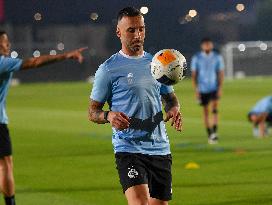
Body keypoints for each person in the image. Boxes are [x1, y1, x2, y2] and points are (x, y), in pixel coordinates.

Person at [89, 7, 182, 205]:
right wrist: (108, 116)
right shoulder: (108, 69)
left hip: (160, 148)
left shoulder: (157, 63)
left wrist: (173, 109)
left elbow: (171, 99)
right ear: (118, 32)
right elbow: (92, 111)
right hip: (128, 148)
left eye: (141, 29)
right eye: (131, 30)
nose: (137, 35)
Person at [0, 30, 86, 205]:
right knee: (5, 164)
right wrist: (65, 55)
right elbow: (34, 62)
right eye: (4, 42)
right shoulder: (2, 62)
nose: (8, 45)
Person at [191, 37, 224, 144]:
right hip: (203, 89)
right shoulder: (197, 58)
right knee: (206, 111)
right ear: (202, 46)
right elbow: (194, 75)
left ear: (211, 45)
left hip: (214, 87)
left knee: (215, 109)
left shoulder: (217, 57)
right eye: (205, 44)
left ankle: (214, 132)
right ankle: (209, 133)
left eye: (209, 44)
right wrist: (196, 90)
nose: (207, 46)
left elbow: (221, 73)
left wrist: (220, 88)